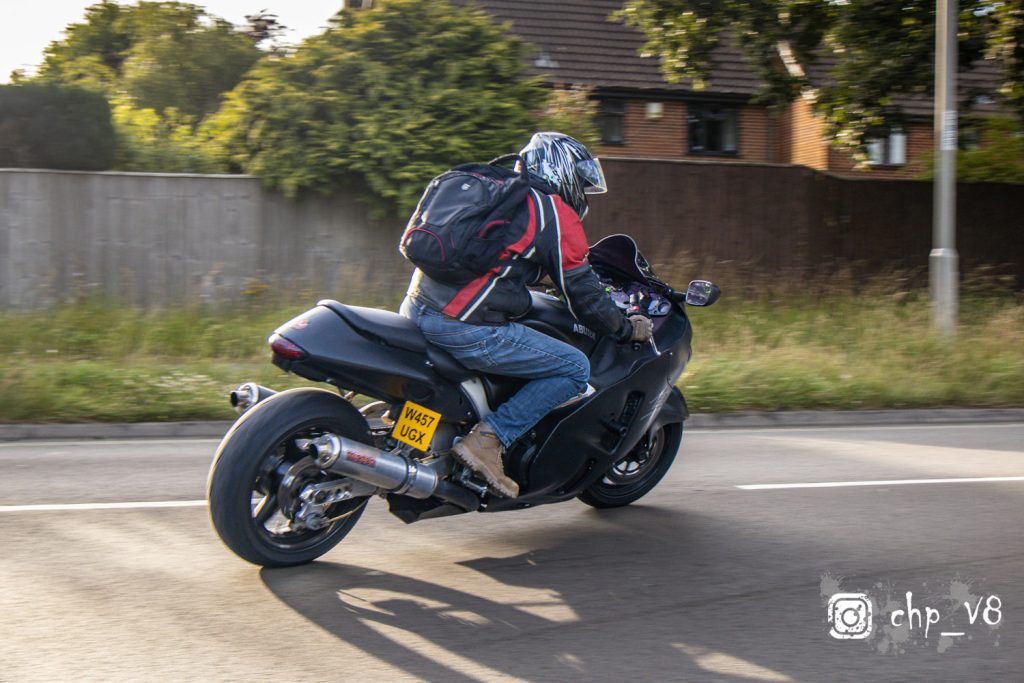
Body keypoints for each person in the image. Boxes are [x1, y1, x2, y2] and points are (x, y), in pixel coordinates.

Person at [401, 132, 652, 498]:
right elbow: (584, 294)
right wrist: (626, 329)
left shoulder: (498, 190)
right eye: (581, 182)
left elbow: (496, 260)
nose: (581, 192)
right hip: (462, 326)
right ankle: (488, 440)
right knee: (572, 368)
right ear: (561, 171)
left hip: (415, 306)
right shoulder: (554, 213)